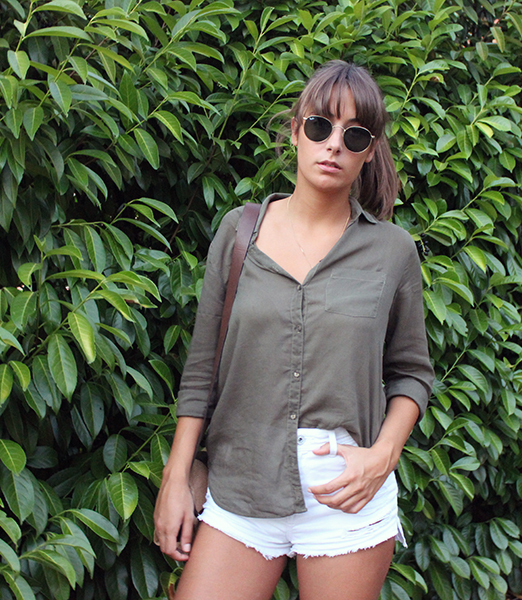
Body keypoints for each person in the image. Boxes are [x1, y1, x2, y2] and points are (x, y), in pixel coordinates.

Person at [153, 60, 434, 600]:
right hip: (241, 487)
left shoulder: (392, 251)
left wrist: (383, 457)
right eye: (320, 126)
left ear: (369, 150)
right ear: (296, 130)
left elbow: (412, 374)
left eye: (355, 135)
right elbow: (201, 371)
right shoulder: (239, 233)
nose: (334, 145)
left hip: (345, 496)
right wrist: (175, 479)